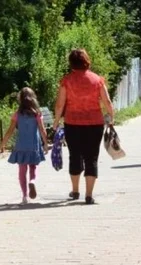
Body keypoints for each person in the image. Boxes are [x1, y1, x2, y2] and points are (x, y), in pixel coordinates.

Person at [52, 49, 115, 205]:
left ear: (71, 62)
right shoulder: (97, 80)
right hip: (95, 124)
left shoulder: (66, 81)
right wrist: (111, 117)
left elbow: (60, 104)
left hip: (72, 123)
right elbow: (107, 101)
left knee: (74, 155)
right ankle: (89, 195)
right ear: (87, 60)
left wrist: (56, 121)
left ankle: (75, 190)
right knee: (91, 157)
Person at [0, 87, 49, 204]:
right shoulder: (37, 114)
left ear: (20, 100)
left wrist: (3, 144)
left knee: (22, 170)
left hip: (21, 145)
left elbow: (10, 130)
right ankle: (32, 181)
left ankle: (24, 196)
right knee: (33, 167)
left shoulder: (17, 114)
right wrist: (45, 143)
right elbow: (42, 129)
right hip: (34, 145)